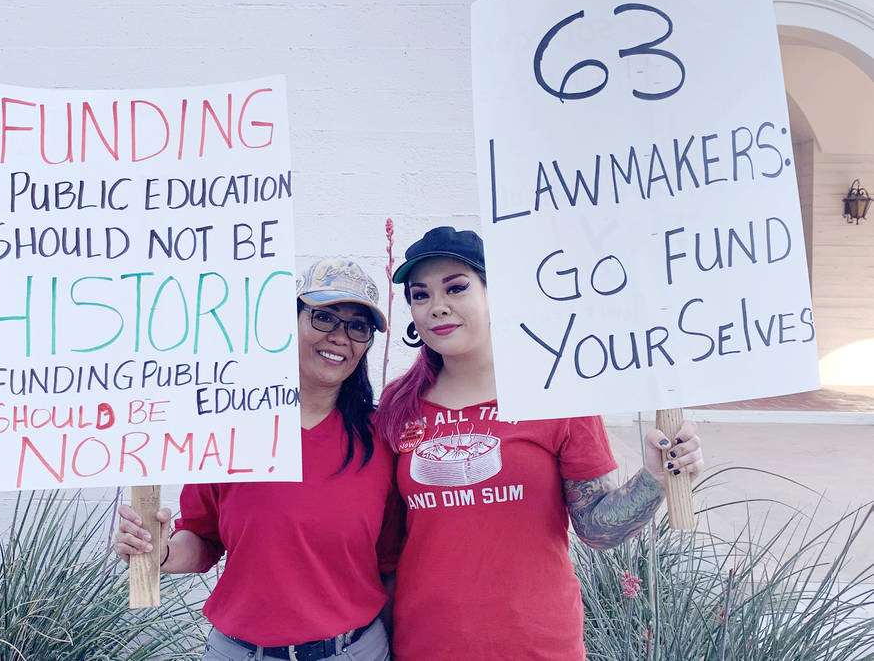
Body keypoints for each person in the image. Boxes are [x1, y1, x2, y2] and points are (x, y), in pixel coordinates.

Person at [372, 226, 705, 661]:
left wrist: (655, 478)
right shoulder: (399, 404)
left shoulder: (555, 394)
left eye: (456, 288)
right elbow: (388, 548)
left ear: (497, 296)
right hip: (427, 644)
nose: (438, 307)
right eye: (421, 295)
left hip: (536, 645)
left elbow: (597, 529)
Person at [114, 257, 399, 661]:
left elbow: (388, 566)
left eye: (358, 326)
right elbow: (203, 538)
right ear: (292, 321)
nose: (340, 336)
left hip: (354, 651)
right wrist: (159, 553)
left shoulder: (380, 440)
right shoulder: (232, 428)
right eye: (324, 317)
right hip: (239, 653)